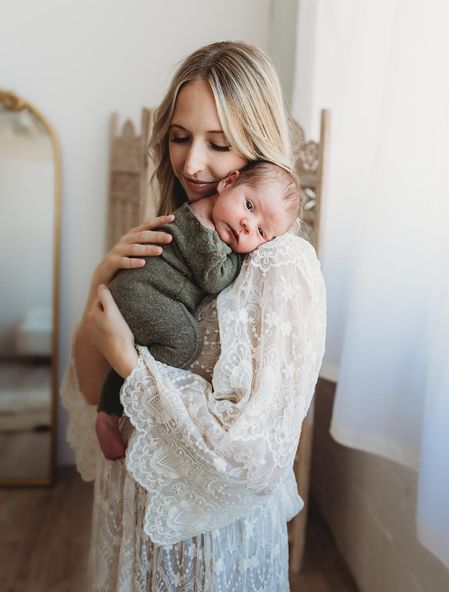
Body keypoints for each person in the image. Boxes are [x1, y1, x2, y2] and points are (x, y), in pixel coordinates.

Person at [61, 40, 326, 592]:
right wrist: (98, 287)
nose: (191, 162)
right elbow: (90, 392)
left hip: (213, 544)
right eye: (179, 137)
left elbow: (253, 459)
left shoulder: (282, 266)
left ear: (255, 152)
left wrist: (130, 365)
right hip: (134, 513)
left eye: (219, 143)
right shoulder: (167, 235)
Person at [96, 161, 301, 460]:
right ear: (227, 182)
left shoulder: (211, 215)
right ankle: (128, 397)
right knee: (186, 342)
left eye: (260, 232)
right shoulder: (201, 222)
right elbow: (214, 277)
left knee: (155, 345)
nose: (246, 224)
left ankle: (109, 407)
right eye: (248, 205)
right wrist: (241, 259)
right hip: (144, 293)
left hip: (141, 292)